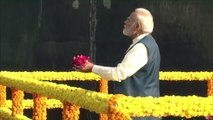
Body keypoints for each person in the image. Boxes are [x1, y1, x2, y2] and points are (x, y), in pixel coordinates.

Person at [74, 8, 161, 120]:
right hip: (142, 112)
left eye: (129, 20)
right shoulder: (147, 43)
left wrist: (92, 68)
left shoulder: (141, 47)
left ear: (137, 26)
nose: (125, 22)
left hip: (139, 114)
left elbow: (119, 74)